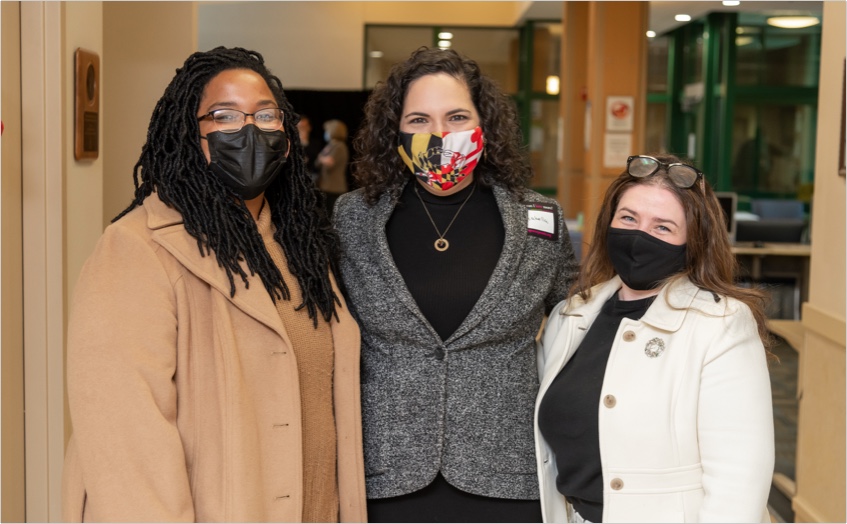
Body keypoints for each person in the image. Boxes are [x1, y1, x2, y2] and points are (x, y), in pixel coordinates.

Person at [61, 47, 366, 522]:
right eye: (223, 115)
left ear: (286, 135)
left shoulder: (303, 249)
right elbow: (127, 449)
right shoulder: (136, 249)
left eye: (266, 114)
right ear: (188, 132)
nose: (249, 130)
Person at [333, 47, 579, 522]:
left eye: (457, 116)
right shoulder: (353, 218)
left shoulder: (538, 219)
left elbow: (581, 322)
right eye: (420, 119)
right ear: (396, 130)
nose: (440, 134)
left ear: (484, 123)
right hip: (386, 474)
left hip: (506, 477)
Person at [535, 153, 775, 523]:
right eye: (628, 218)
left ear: (692, 242)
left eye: (662, 227)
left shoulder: (721, 324)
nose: (638, 236)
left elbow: (738, 484)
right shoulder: (571, 316)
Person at [315, 119, 350, 213]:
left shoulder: (340, 146)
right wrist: (323, 159)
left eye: (327, 131)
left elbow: (330, 163)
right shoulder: (330, 146)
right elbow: (317, 163)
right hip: (326, 186)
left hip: (335, 187)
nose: (326, 133)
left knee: (331, 213)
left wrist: (322, 158)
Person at [297, 113, 322, 183]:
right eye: (300, 127)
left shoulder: (316, 143)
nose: (303, 130)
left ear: (309, 127)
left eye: (305, 127)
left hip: (313, 176)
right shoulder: (293, 144)